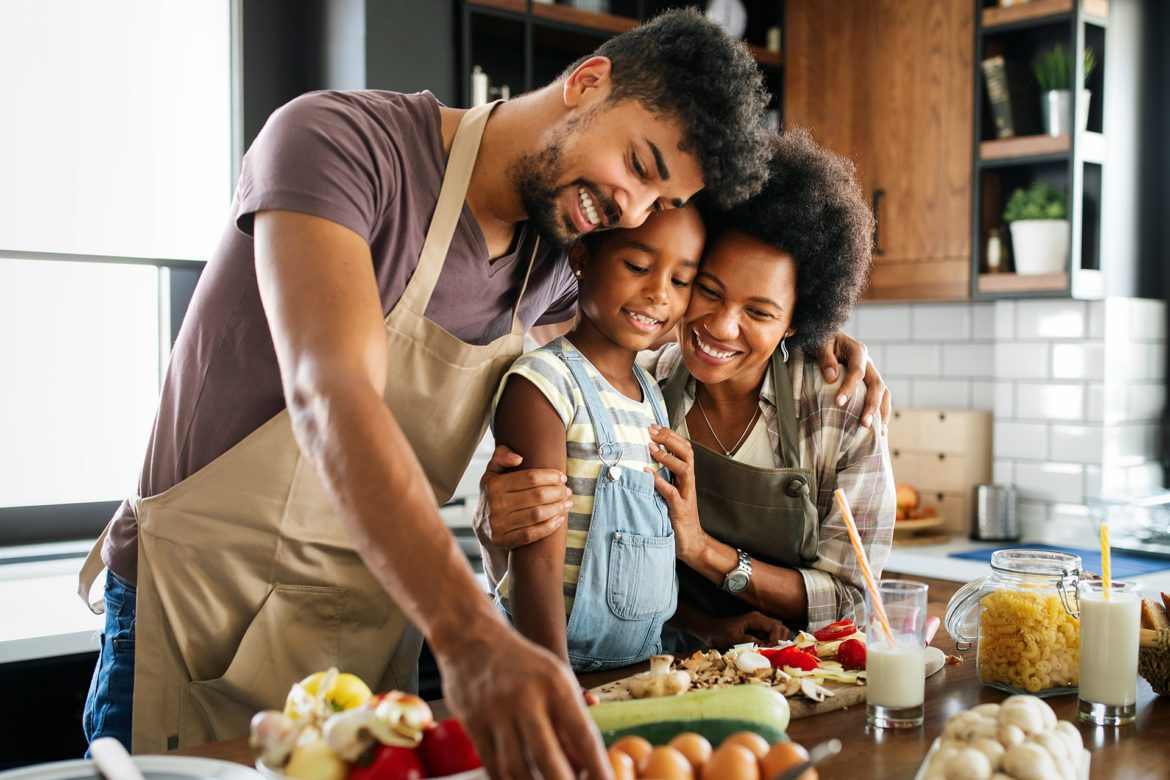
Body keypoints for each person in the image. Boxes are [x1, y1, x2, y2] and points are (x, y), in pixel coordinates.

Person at [78, 10, 782, 776]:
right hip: (203, 614)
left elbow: (634, 367)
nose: (631, 212)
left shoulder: (555, 266)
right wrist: (473, 635)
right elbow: (331, 394)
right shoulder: (338, 145)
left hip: (368, 634)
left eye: (658, 203)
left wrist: (806, 355)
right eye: (641, 168)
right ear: (587, 84)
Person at [477, 130, 896, 654]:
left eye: (760, 312)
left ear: (798, 323)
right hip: (662, 666)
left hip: (803, 673)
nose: (720, 326)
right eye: (707, 289)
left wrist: (703, 550)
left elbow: (853, 597)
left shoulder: (839, 410)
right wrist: (497, 518)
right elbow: (559, 554)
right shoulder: (641, 381)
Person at [491, 206, 703, 673]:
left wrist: (716, 628)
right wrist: (555, 683)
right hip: (546, 668)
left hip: (637, 669)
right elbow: (538, 561)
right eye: (638, 267)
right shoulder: (543, 384)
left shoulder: (652, 396)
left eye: (681, 281)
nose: (658, 294)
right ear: (581, 258)